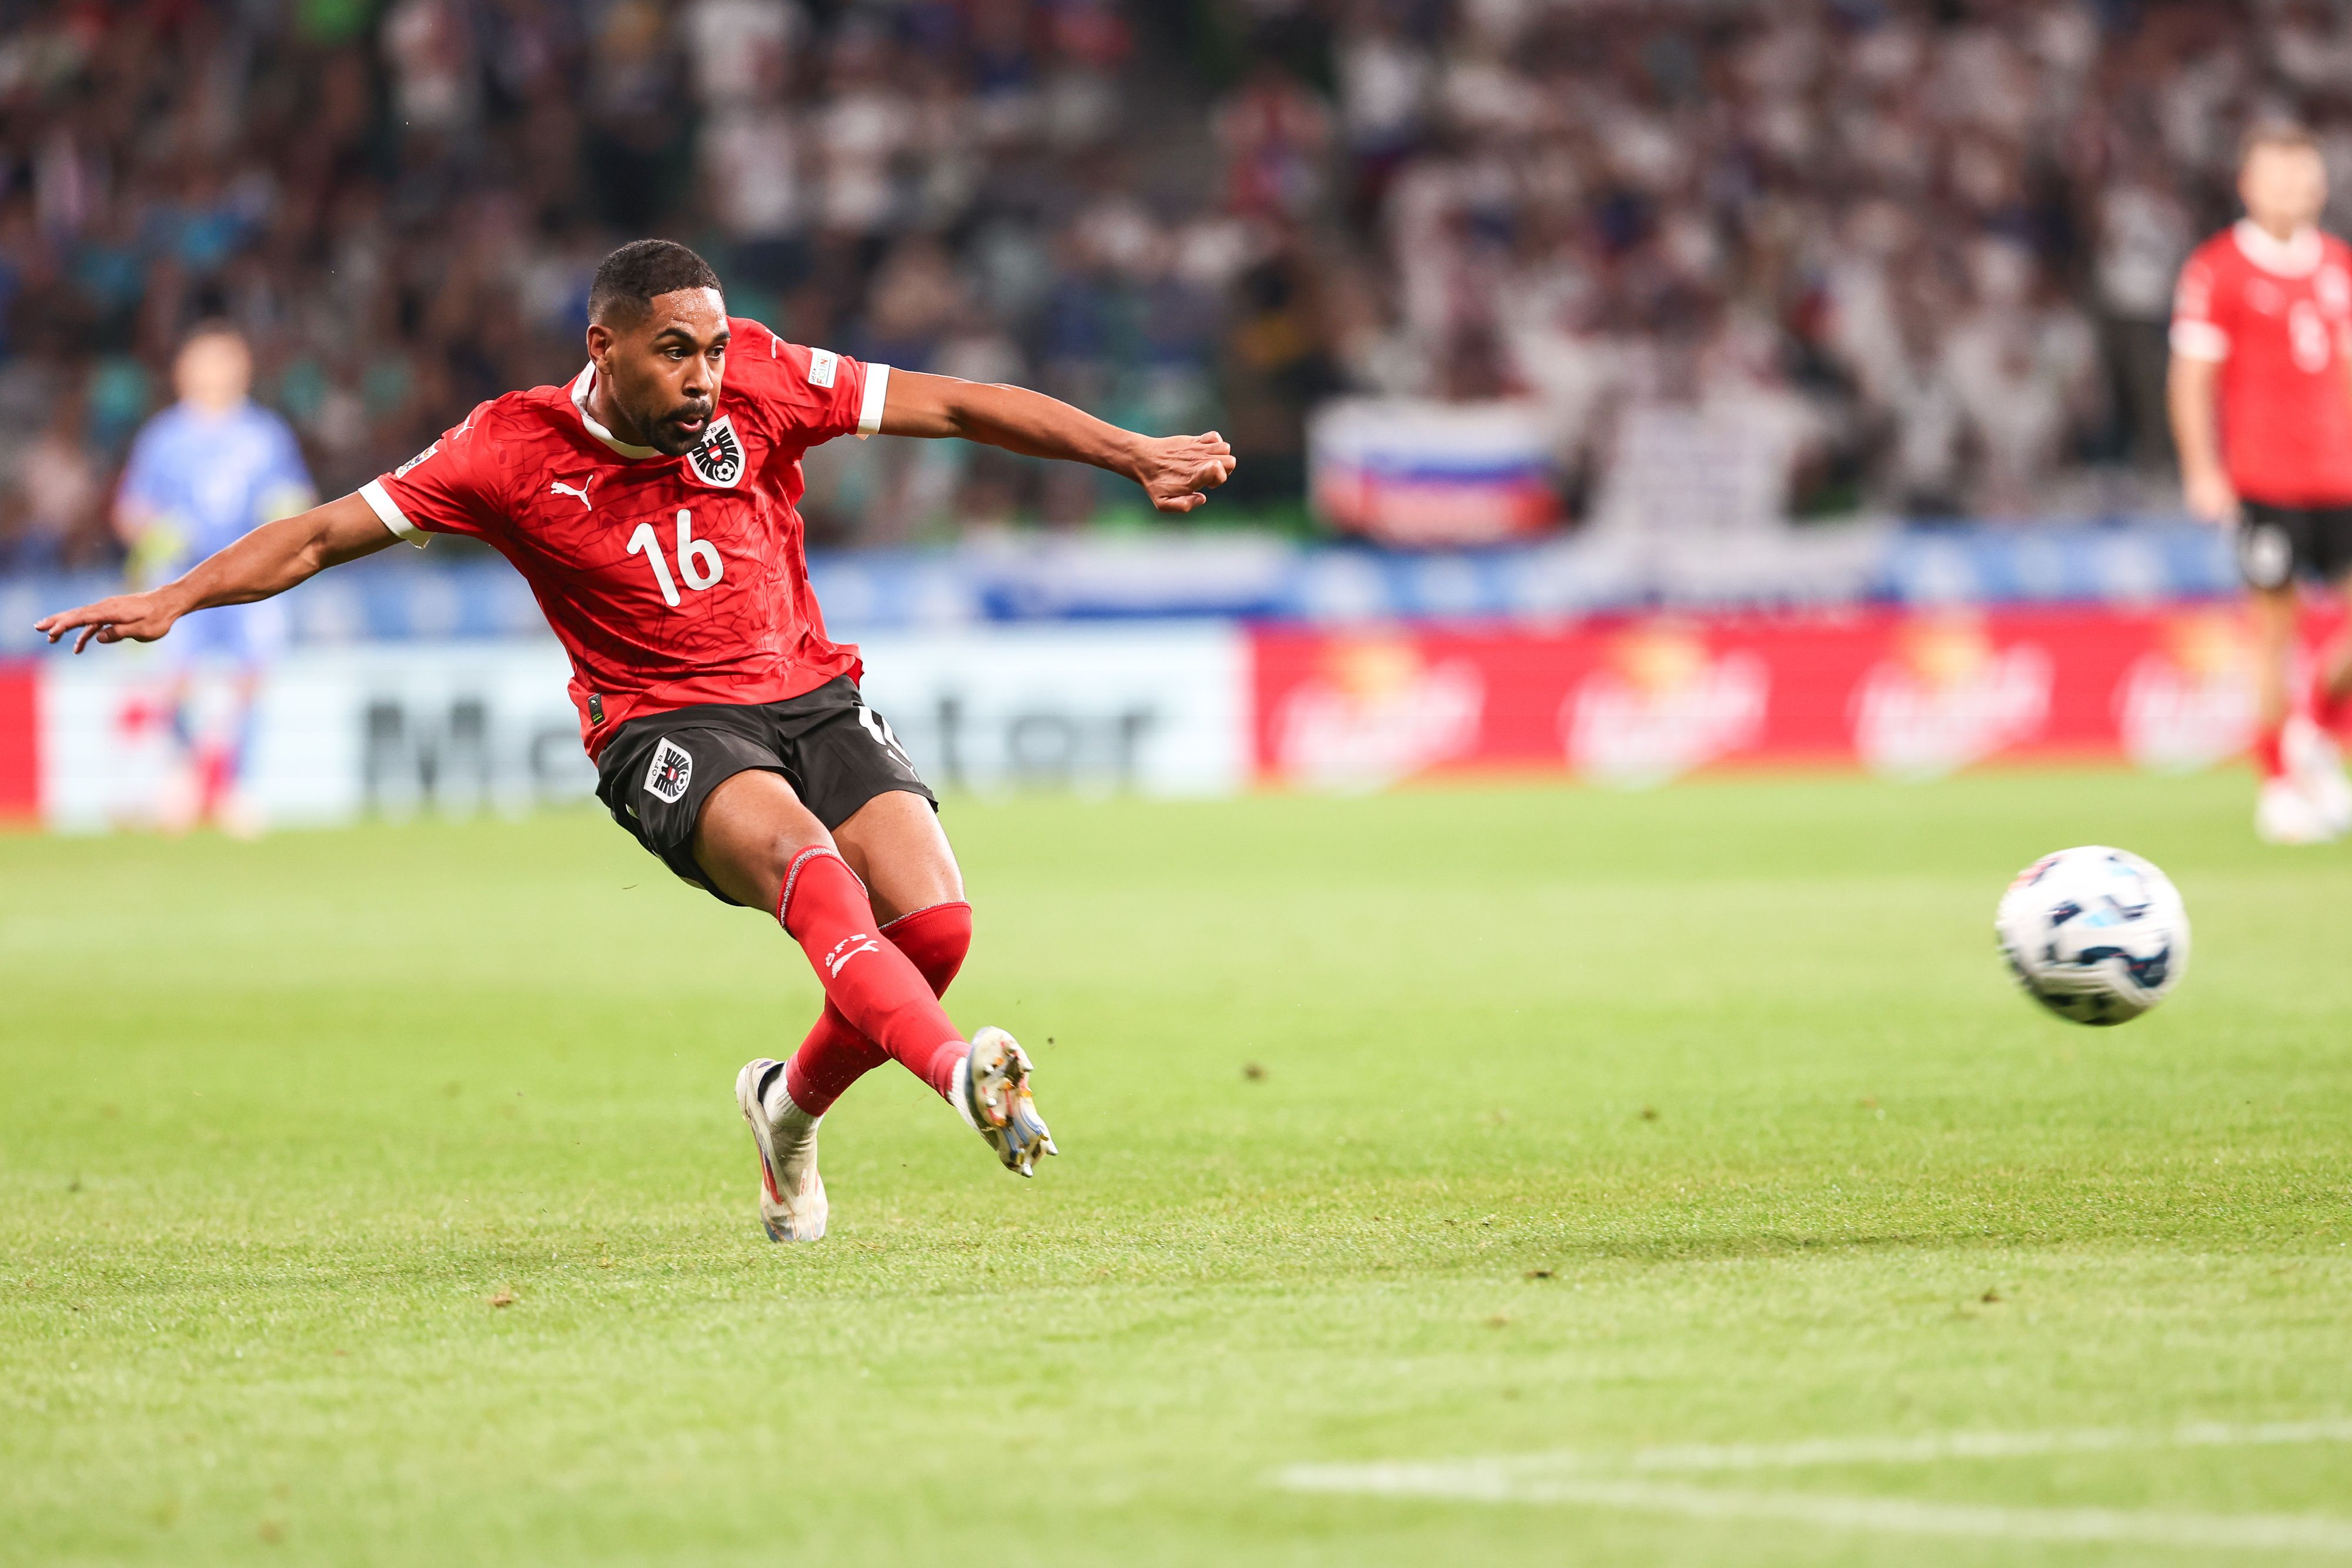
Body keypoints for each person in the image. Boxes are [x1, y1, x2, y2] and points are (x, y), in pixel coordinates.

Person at [38, 240, 1237, 1241]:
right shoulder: (504, 451)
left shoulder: (762, 375)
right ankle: (959, 1074)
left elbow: (958, 402)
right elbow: (313, 536)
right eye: (677, 351)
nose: (708, 376)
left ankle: (784, 1106)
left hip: (809, 692)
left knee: (934, 927)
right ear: (603, 350)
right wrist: (174, 598)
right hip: (660, 725)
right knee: (807, 871)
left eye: (713, 347)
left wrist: (1130, 450)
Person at [2169, 124, 2352, 844]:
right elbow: (2190, 378)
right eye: (2277, 176)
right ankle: (2277, 783)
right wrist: (2201, 467)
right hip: (2267, 477)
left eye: (2303, 175)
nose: (2292, 189)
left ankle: (2313, 729)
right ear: (2247, 185)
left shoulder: (2339, 265)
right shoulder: (2219, 269)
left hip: (2341, 474)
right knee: (2273, 631)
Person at [110, 325, 319, 835]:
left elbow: (300, 499)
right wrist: (155, 531)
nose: (216, 372)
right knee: (174, 678)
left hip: (250, 577)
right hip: (181, 577)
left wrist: (286, 518)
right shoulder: (165, 437)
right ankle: (183, 772)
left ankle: (234, 785)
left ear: (243, 369)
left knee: (251, 676)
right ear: (183, 372)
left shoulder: (265, 433)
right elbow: (128, 510)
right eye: (205, 362)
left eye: (225, 361)